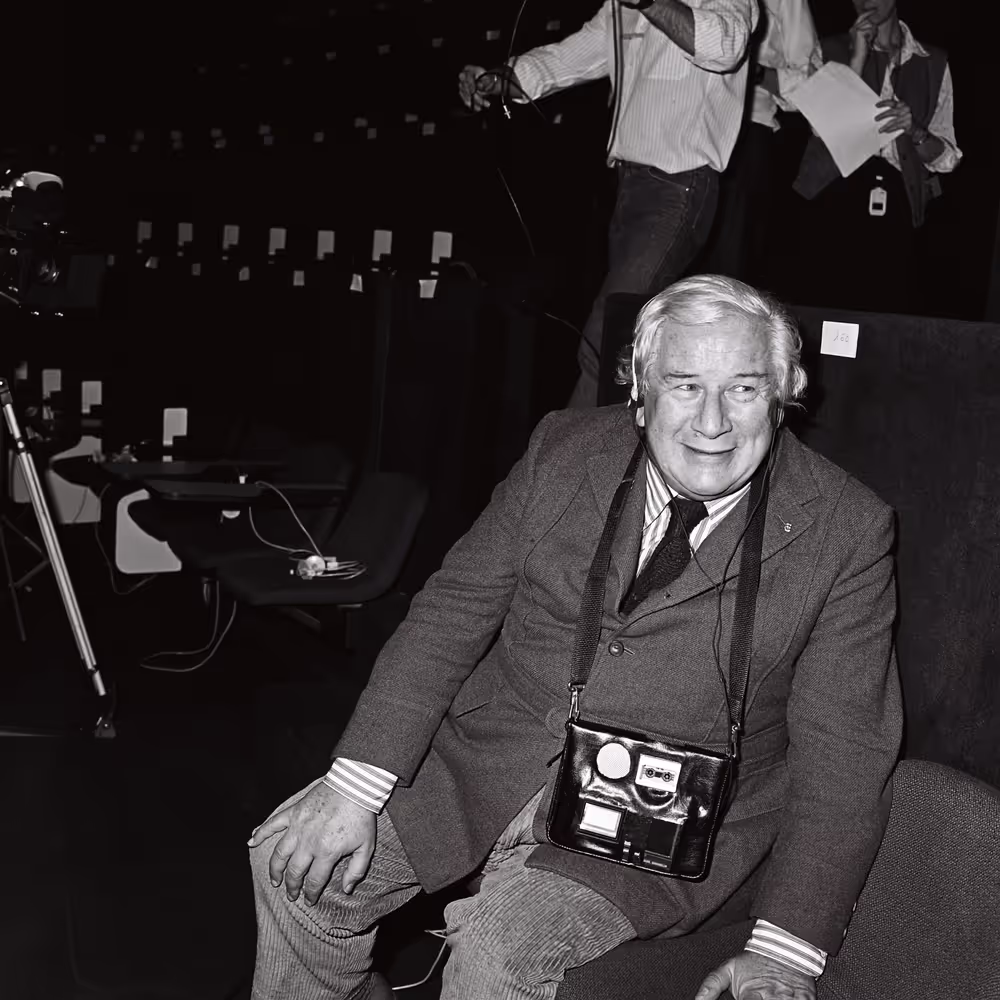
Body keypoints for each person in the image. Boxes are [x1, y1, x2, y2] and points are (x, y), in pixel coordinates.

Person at [248, 273, 902, 1000]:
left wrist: (786, 949)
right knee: (289, 861)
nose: (712, 421)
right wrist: (353, 786)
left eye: (744, 389)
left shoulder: (847, 528)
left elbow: (846, 757)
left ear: (784, 393)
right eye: (684, 385)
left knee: (497, 955)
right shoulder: (561, 450)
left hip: (659, 828)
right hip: (485, 764)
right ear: (639, 390)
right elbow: (450, 615)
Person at [457, 1, 758, 409]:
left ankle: (570, 465)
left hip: (679, 187)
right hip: (629, 188)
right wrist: (502, 78)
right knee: (626, 341)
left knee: (605, 339)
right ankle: (621, 459)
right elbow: (570, 56)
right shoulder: (621, 7)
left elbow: (726, 44)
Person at [792, 0, 961, 313]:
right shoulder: (827, 50)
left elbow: (947, 158)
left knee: (883, 314)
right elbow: (818, 127)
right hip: (831, 194)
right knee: (824, 309)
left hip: (898, 200)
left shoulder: (932, 61)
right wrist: (856, 59)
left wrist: (916, 131)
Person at [698, 0, 823, 284]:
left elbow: (812, 81)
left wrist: (752, 70)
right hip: (676, 131)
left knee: (726, 273)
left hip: (745, 132)